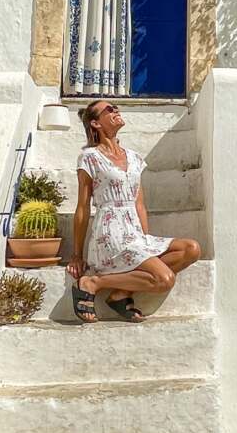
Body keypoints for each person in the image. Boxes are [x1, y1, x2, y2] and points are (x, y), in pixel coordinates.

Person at [67, 99, 201, 323]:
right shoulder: (90, 157)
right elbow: (82, 207)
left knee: (191, 249)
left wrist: (145, 239)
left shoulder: (135, 158)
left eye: (116, 107)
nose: (116, 110)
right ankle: (93, 282)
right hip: (110, 234)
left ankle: (120, 293)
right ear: (96, 124)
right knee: (164, 279)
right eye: (109, 109)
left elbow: (139, 204)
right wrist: (77, 255)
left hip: (134, 232)